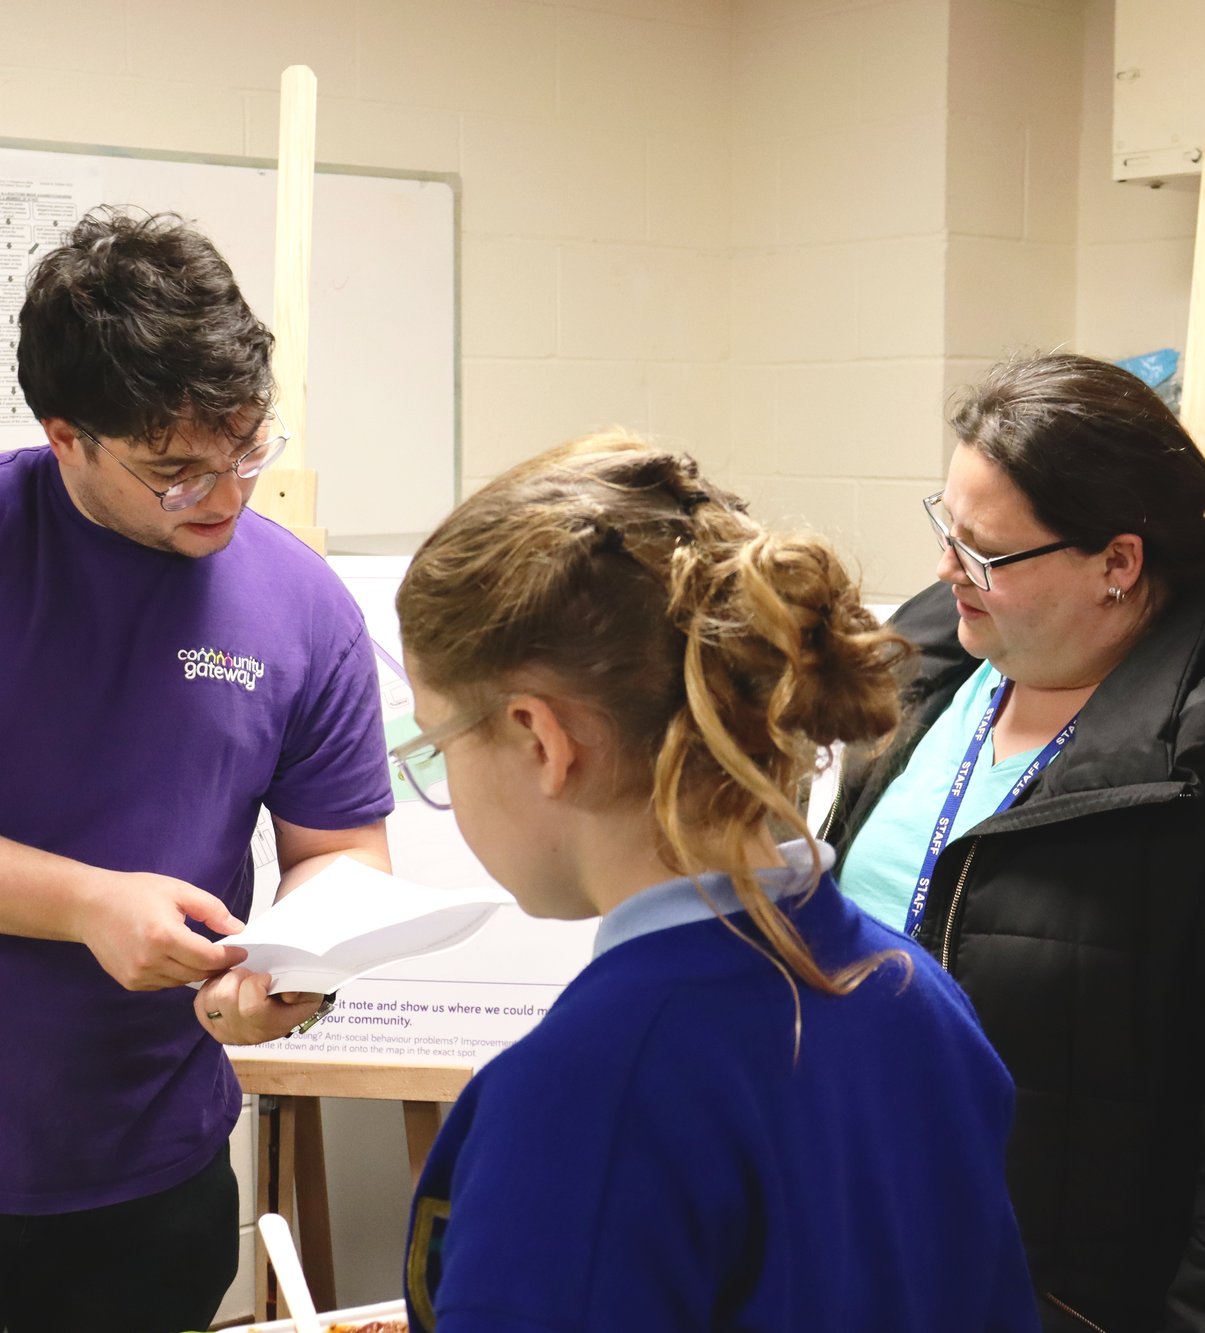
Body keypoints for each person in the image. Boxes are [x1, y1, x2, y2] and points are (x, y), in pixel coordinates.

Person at [0, 209, 394, 1333]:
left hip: (149, 1175)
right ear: (67, 437)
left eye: (247, 449)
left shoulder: (303, 603)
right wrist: (85, 904)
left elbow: (341, 851)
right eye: (173, 471)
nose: (223, 494)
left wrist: (293, 975)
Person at [825, 353, 1205, 1332]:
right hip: (860, 1261)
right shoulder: (931, 675)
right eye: (945, 527)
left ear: (1116, 562)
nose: (946, 570)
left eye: (982, 552)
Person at [389, 435, 1039, 1332]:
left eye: (438, 742)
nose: (443, 776)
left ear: (541, 740)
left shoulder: (587, 1096)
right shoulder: (915, 997)